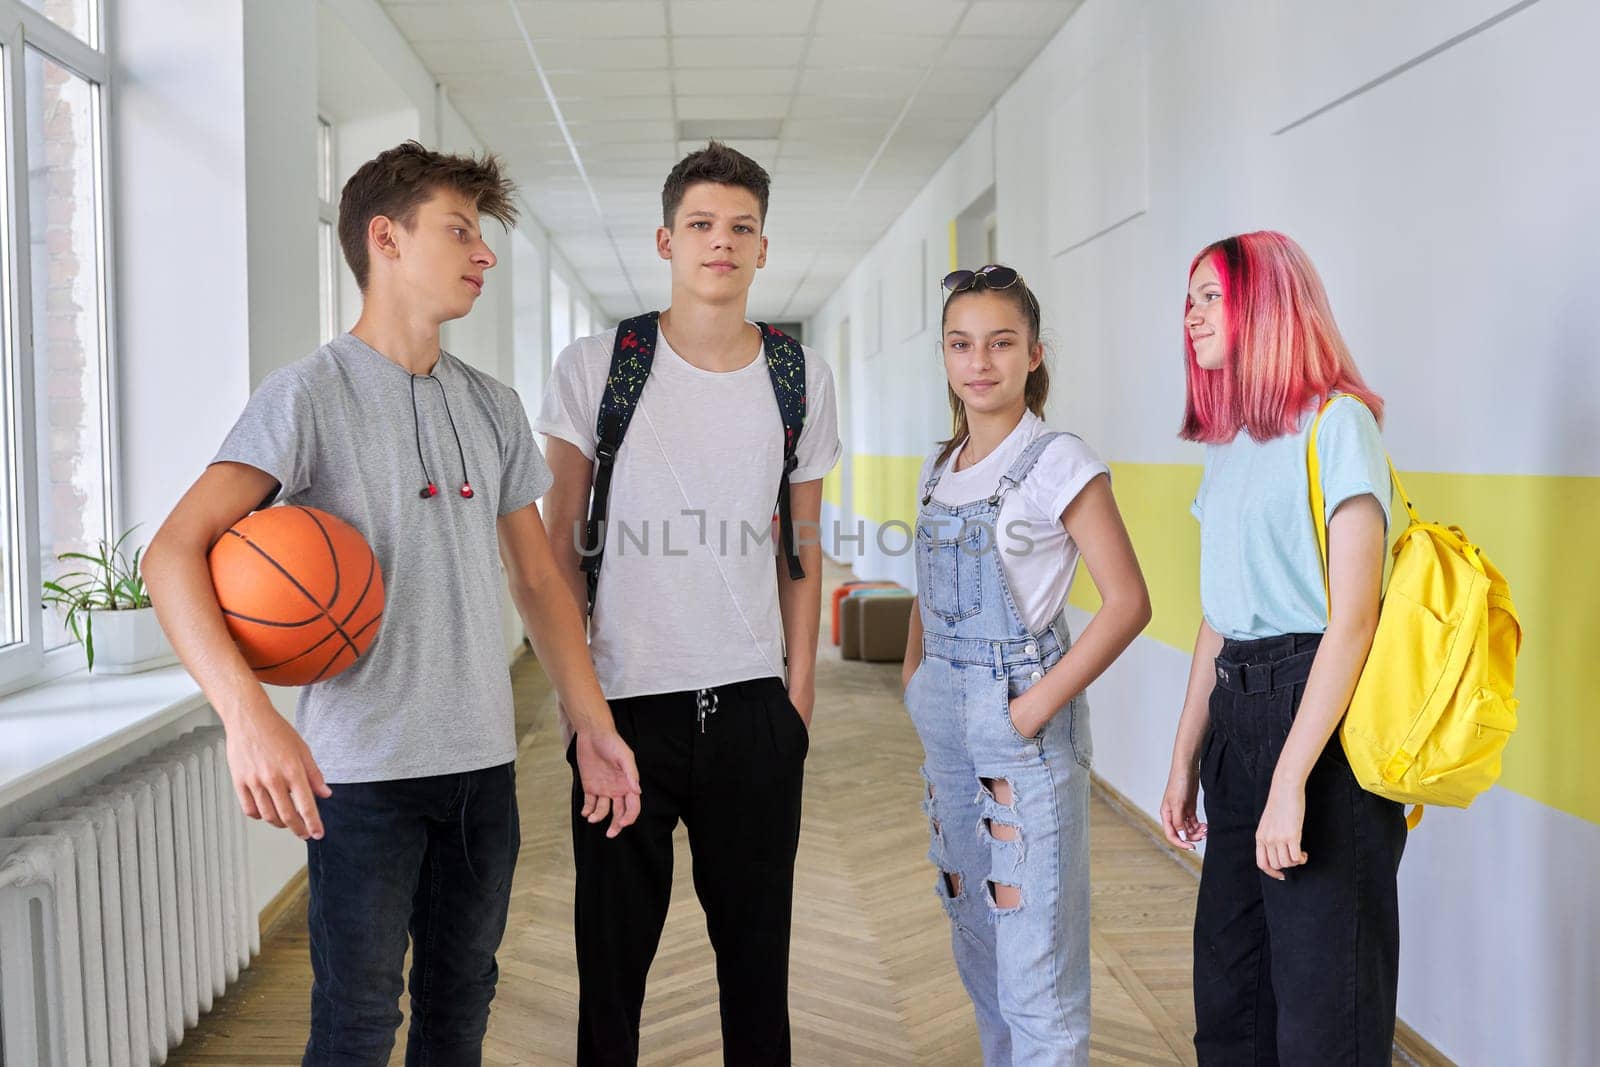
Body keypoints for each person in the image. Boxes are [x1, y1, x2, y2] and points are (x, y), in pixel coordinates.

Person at [144, 141, 639, 1066]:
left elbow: (537, 580)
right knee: (357, 1022)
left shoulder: (491, 406)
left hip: (483, 768)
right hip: (361, 774)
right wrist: (247, 717)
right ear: (386, 239)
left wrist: (593, 721)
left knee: (461, 1010)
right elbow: (170, 553)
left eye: (483, 237)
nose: (483, 254)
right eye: (461, 231)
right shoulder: (307, 396)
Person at [535, 141, 842, 1065]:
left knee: (757, 972)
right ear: (666, 241)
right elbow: (555, 551)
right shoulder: (600, 366)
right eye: (703, 225)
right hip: (622, 711)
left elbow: (802, 549)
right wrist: (578, 711)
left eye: (740, 227)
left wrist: (797, 701)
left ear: (761, 249)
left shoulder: (799, 378)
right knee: (611, 974)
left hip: (754, 712)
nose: (722, 242)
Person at [1158, 230, 1406, 1064]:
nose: (1190, 314)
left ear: (1266, 303)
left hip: (1320, 727)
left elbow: (1355, 619)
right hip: (1237, 720)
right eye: (1188, 297)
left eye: (1211, 295)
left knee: (1323, 1018)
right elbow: (1220, 613)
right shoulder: (1229, 446)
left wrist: (1291, 778)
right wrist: (1186, 752)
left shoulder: (1340, 428)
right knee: (1230, 999)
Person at [900, 263, 1151, 1065]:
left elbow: (1127, 602)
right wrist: (917, 682)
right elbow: (926, 591)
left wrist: (1028, 712)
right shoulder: (940, 468)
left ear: (1034, 353)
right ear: (943, 355)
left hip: (1020, 726)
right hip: (945, 722)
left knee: (1036, 970)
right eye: (962, 344)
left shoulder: (1057, 460)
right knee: (978, 947)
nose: (981, 362)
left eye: (1001, 343)